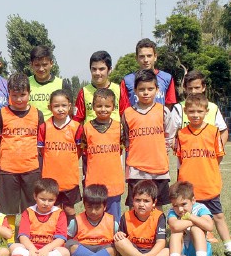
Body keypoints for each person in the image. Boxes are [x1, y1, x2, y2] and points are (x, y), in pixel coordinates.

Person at [174, 93, 230, 256]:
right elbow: (179, 159)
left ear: (206, 111)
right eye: (191, 111)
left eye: (199, 111)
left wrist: (208, 169)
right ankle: (185, 248)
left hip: (209, 184)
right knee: (186, 218)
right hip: (188, 187)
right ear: (185, 112)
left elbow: (219, 156)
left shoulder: (213, 132)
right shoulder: (181, 134)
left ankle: (228, 247)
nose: (195, 115)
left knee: (218, 216)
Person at [0, 73, 44, 241]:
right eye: (14, 95)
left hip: (31, 169)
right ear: (8, 93)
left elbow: (41, 144)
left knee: (30, 208)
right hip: (7, 169)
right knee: (7, 208)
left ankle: (27, 238)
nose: (18, 99)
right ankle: (8, 241)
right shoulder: (1, 114)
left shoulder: (37, 114)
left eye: (22, 94)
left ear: (29, 93)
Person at [122, 69, 174, 211]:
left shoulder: (163, 111)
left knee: (157, 205)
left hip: (159, 168)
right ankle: (134, 232)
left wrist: (163, 151)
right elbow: (126, 139)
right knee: (135, 205)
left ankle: (158, 232)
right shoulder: (127, 113)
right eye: (142, 89)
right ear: (135, 91)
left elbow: (169, 135)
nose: (146, 92)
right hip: (136, 169)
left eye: (150, 89)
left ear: (157, 90)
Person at [38, 89, 83, 224]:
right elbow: (41, 151)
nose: (60, 109)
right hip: (51, 179)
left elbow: (79, 151)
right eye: (56, 106)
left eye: (64, 105)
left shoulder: (76, 127)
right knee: (54, 208)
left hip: (70, 179)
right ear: (50, 107)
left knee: (69, 209)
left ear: (70, 106)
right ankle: (55, 233)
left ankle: (71, 234)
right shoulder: (44, 127)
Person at [80, 88, 124, 222]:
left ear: (114, 107)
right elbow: (84, 152)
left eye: (107, 106)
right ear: (93, 106)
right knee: (94, 215)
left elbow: (121, 149)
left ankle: (115, 240)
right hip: (94, 180)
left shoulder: (119, 127)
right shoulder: (86, 128)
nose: (103, 109)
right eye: (99, 106)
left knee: (113, 218)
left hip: (113, 180)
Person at [9, 178, 69, 256]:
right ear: (35, 196)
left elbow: (61, 239)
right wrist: (32, 249)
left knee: (65, 253)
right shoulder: (28, 212)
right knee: (14, 247)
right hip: (30, 249)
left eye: (50, 200)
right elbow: (23, 236)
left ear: (55, 199)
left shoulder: (60, 213)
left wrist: (46, 249)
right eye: (43, 199)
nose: (46, 203)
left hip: (50, 250)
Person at [64, 184, 118, 256]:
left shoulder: (112, 221)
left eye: (97, 208)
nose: (93, 211)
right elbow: (67, 239)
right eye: (89, 207)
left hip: (104, 248)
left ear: (104, 206)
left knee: (113, 249)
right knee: (71, 244)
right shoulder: (76, 221)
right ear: (84, 205)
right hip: (83, 248)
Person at [113, 180, 169, 256]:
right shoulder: (126, 216)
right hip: (133, 251)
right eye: (138, 200)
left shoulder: (159, 216)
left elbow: (161, 242)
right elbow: (122, 236)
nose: (141, 204)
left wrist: (149, 255)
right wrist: (119, 234)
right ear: (133, 201)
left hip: (152, 251)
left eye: (146, 201)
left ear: (154, 203)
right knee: (119, 241)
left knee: (167, 251)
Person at [167, 181, 213, 256]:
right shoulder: (172, 212)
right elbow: (174, 226)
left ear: (193, 200)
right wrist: (194, 221)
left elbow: (209, 226)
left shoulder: (200, 208)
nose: (180, 210)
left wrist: (191, 217)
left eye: (183, 204)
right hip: (181, 252)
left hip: (198, 249)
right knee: (176, 232)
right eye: (175, 205)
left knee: (196, 229)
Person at [170, 70, 228, 144]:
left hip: (209, 155)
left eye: (197, 88)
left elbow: (223, 131)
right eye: (190, 88)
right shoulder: (178, 108)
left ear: (203, 87)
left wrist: (218, 151)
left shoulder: (213, 108)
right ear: (185, 88)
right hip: (187, 155)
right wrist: (180, 151)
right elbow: (170, 134)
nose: (193, 91)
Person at [120, 38, 176, 109]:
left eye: (149, 56)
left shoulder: (167, 78)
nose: (146, 60)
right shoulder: (127, 80)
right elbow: (124, 109)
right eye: (142, 56)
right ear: (136, 58)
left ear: (155, 57)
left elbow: (169, 105)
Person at [73, 50, 126, 123]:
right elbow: (77, 121)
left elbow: (126, 116)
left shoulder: (119, 90)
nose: (97, 73)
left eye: (101, 69)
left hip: (114, 133)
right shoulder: (84, 92)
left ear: (110, 70)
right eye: (94, 69)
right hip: (91, 134)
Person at [28, 45, 69, 120]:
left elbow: (69, 112)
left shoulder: (61, 84)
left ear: (51, 63)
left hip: (54, 130)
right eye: (37, 65)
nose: (41, 69)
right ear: (31, 65)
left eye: (44, 65)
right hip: (32, 129)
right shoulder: (25, 83)